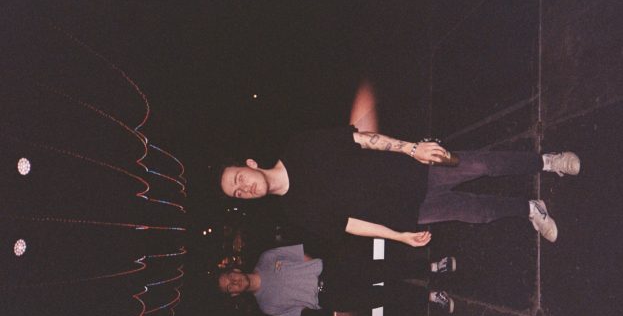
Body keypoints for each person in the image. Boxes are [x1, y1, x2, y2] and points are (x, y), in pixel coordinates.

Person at [219, 126, 580, 247]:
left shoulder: (300, 145)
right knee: (477, 212)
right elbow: (348, 225)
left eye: (238, 179)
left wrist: (411, 149)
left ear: (248, 164)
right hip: (407, 211)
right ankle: (531, 209)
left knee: (484, 164)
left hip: (413, 170)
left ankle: (547, 162)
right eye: (237, 193)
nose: (243, 188)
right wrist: (398, 236)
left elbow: (361, 139)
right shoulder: (294, 212)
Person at [217, 244, 458, 316]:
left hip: (332, 271)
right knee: (383, 297)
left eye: (230, 277)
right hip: (330, 298)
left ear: (235, 269)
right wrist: (318, 295)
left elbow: (301, 254)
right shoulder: (266, 306)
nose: (234, 282)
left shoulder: (267, 257)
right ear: (234, 294)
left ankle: (434, 267)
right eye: (229, 288)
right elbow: (301, 309)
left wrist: (319, 270)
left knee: (384, 269)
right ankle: (431, 297)